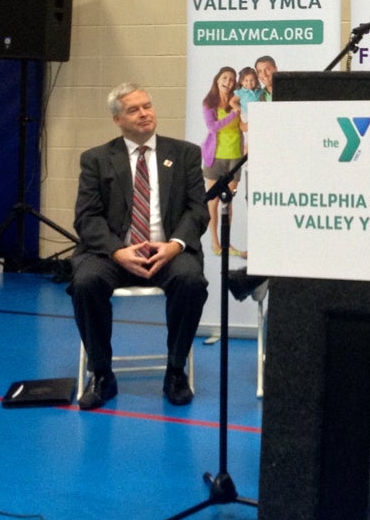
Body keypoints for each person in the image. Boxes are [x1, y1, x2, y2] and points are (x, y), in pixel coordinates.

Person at [70, 82, 209, 410]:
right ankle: (102, 372)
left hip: (168, 251)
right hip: (114, 253)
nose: (145, 113)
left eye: (147, 106)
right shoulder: (96, 159)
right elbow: (87, 218)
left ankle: (175, 370)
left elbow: (197, 210)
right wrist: (118, 251)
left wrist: (175, 245)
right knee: (86, 282)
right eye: (134, 109)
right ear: (117, 120)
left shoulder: (185, 154)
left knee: (190, 280)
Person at [200, 66, 244, 257]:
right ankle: (215, 243)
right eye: (225, 78)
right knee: (213, 202)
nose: (228, 82)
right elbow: (212, 127)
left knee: (229, 202)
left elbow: (243, 124)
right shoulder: (209, 103)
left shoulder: (237, 100)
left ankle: (227, 244)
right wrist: (234, 114)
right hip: (215, 157)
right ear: (217, 79)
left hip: (235, 157)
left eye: (232, 79)